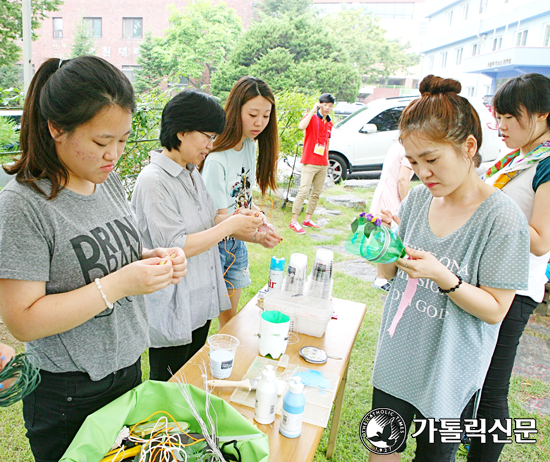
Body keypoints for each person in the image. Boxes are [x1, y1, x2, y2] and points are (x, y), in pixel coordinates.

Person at [0, 56, 187, 462]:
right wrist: (119, 284)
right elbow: (23, 320)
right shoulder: (23, 204)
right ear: (56, 128)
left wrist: (147, 258)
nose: (114, 154)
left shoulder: (108, 180)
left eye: (122, 140)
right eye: (102, 142)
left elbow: (102, 253)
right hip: (66, 392)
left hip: (128, 371)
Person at [369, 75, 530, 462]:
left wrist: (444, 277)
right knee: (380, 453)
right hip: (396, 357)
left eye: (432, 160)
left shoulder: (502, 218)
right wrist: (383, 253)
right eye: (414, 163)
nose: (423, 173)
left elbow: (495, 310)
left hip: (451, 373)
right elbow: (390, 277)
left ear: (468, 147)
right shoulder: (417, 202)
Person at [131, 90, 264, 381]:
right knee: (169, 386)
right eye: (207, 136)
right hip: (175, 306)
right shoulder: (154, 181)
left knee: (192, 378)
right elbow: (176, 246)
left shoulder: (190, 172)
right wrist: (229, 226)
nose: (211, 145)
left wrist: (245, 222)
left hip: (199, 298)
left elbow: (209, 221)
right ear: (181, 132)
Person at [467, 73, 550, 462]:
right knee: (472, 379)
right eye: (497, 117)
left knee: (492, 389)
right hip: (485, 281)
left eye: (510, 118)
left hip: (514, 291)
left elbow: (540, 240)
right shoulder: (516, 158)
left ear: (541, 115)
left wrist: (490, 202)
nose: (500, 126)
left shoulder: (546, 163)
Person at [201, 76, 282, 329]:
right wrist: (256, 234)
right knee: (207, 322)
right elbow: (216, 219)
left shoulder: (249, 144)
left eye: (266, 116)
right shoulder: (216, 158)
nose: (260, 123)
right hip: (215, 245)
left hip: (236, 243)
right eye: (253, 114)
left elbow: (244, 200)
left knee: (230, 319)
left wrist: (261, 221)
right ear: (236, 111)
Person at [369, 141, 414, 292]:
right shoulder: (409, 148)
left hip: (384, 191)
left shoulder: (397, 145)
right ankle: (382, 278)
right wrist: (407, 203)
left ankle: (381, 276)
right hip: (392, 196)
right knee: (390, 235)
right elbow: (403, 179)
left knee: (383, 234)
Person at [289, 93, 335, 234]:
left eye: (330, 106)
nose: (327, 108)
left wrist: (327, 161)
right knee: (303, 190)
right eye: (325, 105)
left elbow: (327, 142)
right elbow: (301, 126)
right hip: (309, 161)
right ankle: (294, 221)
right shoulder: (312, 117)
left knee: (316, 192)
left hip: (322, 163)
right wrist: (312, 110)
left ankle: (308, 219)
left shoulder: (330, 123)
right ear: (320, 104)